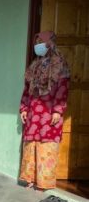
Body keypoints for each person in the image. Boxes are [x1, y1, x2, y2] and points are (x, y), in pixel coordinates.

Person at [19, 31, 70, 191]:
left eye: (41, 41)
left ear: (50, 43)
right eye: (37, 42)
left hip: (49, 113)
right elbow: (27, 89)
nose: (38, 45)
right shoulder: (34, 66)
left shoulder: (60, 64)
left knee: (46, 145)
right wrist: (24, 108)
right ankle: (30, 179)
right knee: (31, 144)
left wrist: (57, 110)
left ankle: (44, 183)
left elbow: (63, 88)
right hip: (33, 113)